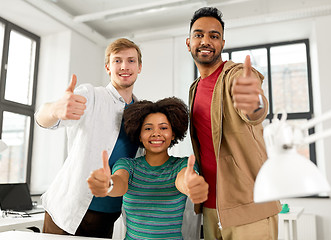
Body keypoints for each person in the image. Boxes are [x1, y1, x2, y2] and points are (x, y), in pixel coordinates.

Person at [186, 7, 282, 240]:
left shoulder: (235, 75)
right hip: (211, 209)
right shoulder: (195, 88)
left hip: (250, 208)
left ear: (222, 43)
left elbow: (254, 109)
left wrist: (253, 101)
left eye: (214, 36)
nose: (206, 41)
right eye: (199, 35)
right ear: (189, 43)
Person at [35, 38, 143, 238]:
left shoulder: (143, 112)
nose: (124, 66)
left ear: (139, 67)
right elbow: (43, 118)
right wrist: (54, 110)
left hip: (108, 215)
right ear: (108, 67)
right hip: (66, 211)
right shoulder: (91, 95)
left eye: (131, 60)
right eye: (117, 60)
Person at [87, 97, 209, 240]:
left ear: (173, 133)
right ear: (139, 135)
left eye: (163, 128)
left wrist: (190, 184)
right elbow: (120, 182)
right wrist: (108, 185)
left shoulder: (183, 165)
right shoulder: (128, 165)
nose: (156, 133)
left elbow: (183, 181)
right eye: (148, 128)